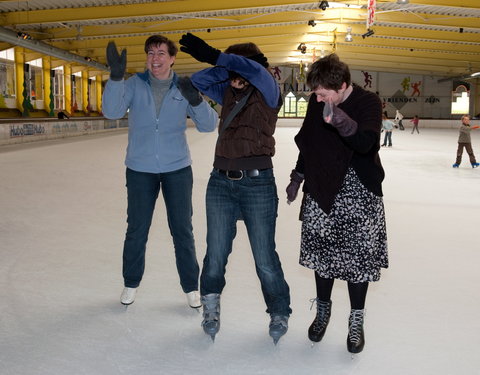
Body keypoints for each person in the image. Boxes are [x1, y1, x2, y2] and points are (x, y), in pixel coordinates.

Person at [179, 33, 292, 344]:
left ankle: (279, 310)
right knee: (215, 253)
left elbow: (257, 72)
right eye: (233, 72)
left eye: (241, 70)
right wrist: (224, 68)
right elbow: (199, 79)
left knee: (264, 257)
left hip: (258, 184)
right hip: (220, 183)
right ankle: (211, 307)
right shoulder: (228, 89)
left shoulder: (268, 90)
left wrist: (223, 58)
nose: (236, 77)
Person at [101, 36, 218, 308]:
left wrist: (196, 100)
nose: (156, 58)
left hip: (177, 169)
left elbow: (208, 126)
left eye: (162, 53)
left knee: (182, 230)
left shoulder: (183, 86)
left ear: (172, 58)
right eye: (151, 53)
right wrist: (116, 78)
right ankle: (131, 283)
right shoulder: (133, 84)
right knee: (137, 230)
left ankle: (191, 287)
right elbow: (112, 111)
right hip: (140, 169)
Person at [285, 54, 388, 354]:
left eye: (322, 93)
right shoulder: (317, 104)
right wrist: (297, 175)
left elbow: (366, 143)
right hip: (321, 187)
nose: (316, 99)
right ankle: (323, 311)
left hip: (359, 192)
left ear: (342, 86)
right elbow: (309, 143)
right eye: (315, 92)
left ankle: (356, 320)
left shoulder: (368, 102)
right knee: (323, 255)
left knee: (358, 260)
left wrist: (341, 120)